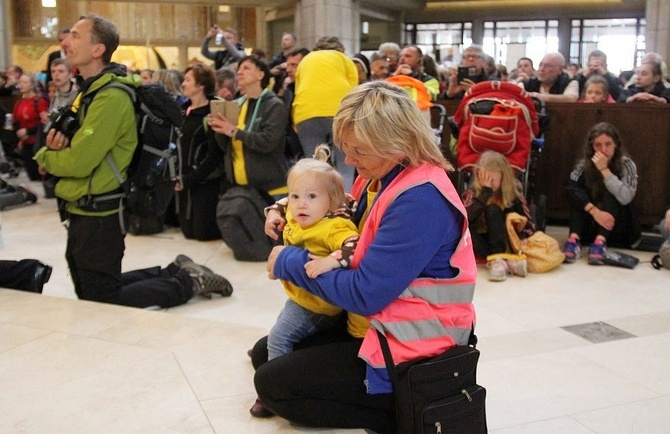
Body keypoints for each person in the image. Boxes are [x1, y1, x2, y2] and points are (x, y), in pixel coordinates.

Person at [252, 80, 477, 433]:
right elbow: (334, 204)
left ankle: (403, 410)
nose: (350, 160)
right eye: (346, 148)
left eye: (359, 150)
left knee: (272, 384)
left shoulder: (421, 200)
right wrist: (280, 208)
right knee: (265, 351)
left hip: (411, 349)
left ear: (396, 142)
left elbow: (365, 293)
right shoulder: (382, 175)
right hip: (377, 324)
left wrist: (288, 261)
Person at [34, 14, 232, 307]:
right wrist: (55, 154)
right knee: (94, 290)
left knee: (102, 296)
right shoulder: (90, 91)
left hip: (101, 209)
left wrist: (46, 156)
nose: (65, 41)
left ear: (98, 49)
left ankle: (188, 282)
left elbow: (79, 161)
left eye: (75, 36)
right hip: (82, 205)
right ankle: (173, 272)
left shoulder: (110, 97)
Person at [249, 145, 359, 417]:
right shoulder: (303, 211)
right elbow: (283, 203)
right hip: (303, 295)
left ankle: (273, 390)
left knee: (279, 337)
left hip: (319, 305)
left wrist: (330, 261)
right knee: (277, 334)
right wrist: (272, 213)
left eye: (311, 196)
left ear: (333, 201)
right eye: (296, 195)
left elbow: (354, 245)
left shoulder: (334, 226)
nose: (301, 203)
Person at [209, 56, 289, 199]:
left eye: (246, 68)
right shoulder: (237, 104)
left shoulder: (274, 105)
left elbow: (267, 142)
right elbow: (227, 147)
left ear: (261, 75)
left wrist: (233, 131)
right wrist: (220, 130)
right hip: (242, 189)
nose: (239, 72)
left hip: (272, 190)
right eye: (239, 69)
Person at [563, 122, 641, 265]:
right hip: (592, 222)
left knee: (612, 190)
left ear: (616, 144)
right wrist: (594, 211)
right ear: (592, 147)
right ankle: (574, 240)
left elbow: (625, 197)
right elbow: (570, 190)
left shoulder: (627, 164)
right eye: (598, 145)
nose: (603, 150)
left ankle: (600, 241)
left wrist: (605, 171)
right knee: (578, 194)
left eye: (608, 144)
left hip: (618, 226)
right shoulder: (583, 164)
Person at [292, 36, 358, 191]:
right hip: (339, 113)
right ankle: (344, 205)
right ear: (340, 49)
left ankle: (318, 206)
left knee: (316, 166)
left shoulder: (305, 61)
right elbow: (355, 92)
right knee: (345, 164)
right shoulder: (344, 60)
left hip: (306, 113)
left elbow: (298, 89)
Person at [461, 150, 532, 281]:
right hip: (483, 242)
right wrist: (485, 193)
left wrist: (524, 235)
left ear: (503, 176)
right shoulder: (473, 193)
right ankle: (505, 262)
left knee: (493, 209)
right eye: (485, 178)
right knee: (463, 228)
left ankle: (500, 260)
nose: (489, 182)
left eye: (493, 179)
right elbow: (465, 218)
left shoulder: (513, 194)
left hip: (503, 240)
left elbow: (528, 221)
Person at [175, 63, 225, 241]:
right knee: (188, 232)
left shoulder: (213, 113)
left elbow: (214, 155)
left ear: (201, 85)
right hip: (184, 181)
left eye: (188, 80)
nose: (183, 84)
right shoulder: (182, 111)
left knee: (203, 234)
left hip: (205, 181)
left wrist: (190, 179)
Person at [12, 73, 49, 180]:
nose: (22, 85)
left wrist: (28, 131)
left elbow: (44, 122)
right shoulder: (19, 102)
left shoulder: (39, 101)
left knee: (40, 177)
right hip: (25, 145)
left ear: (32, 85)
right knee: (32, 177)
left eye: (25, 82)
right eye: (20, 82)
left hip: (37, 143)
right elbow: (15, 121)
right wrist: (19, 134)